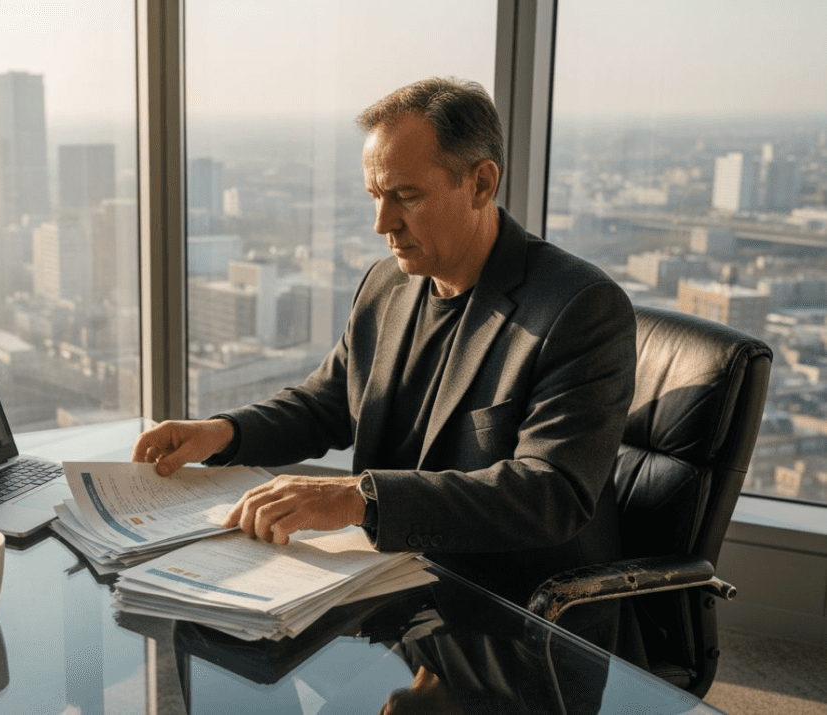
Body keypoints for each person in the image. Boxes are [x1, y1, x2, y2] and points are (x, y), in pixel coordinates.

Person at [132, 77, 639, 658]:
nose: (382, 223)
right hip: (392, 598)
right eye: (374, 195)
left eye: (406, 195)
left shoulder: (579, 308)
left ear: (480, 183)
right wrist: (222, 433)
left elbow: (549, 494)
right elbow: (329, 401)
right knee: (217, 648)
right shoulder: (387, 284)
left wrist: (359, 499)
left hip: (513, 623)